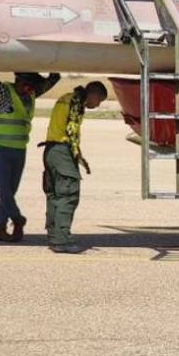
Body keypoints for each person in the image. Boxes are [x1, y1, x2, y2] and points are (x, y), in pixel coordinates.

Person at [0, 71, 61, 242]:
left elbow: (52, 80)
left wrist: (51, 67)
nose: (30, 90)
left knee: (10, 191)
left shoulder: (30, 94)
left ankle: (0, 228)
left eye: (32, 87)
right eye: (28, 86)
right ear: (19, 81)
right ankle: (17, 219)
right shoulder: (2, 92)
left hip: (19, 150)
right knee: (2, 189)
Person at [41, 81, 108, 254]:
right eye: (99, 100)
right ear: (93, 94)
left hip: (51, 150)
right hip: (62, 152)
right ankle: (62, 240)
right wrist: (76, 154)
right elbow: (71, 131)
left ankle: (54, 235)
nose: (97, 105)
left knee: (54, 195)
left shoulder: (67, 97)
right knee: (68, 194)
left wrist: (79, 157)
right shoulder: (77, 102)